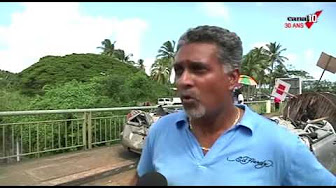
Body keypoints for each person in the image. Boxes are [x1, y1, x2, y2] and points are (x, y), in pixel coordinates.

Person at [131, 25, 336, 185]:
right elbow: (141, 179)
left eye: (198, 69)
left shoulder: (280, 144)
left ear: (232, 78)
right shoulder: (160, 131)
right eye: (179, 70)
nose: (183, 80)